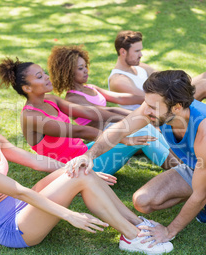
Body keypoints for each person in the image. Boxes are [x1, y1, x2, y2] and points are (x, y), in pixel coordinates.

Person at [0, 81, 173, 255]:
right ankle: (132, 236)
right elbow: (19, 190)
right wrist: (70, 215)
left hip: (20, 205)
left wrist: (81, 167)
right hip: (13, 227)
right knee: (81, 176)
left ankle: (137, 223)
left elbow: (35, 161)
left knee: (81, 169)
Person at [65, 70, 206, 255]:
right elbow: (120, 128)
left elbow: (198, 193)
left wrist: (169, 231)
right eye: (146, 103)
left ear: (176, 107)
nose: (146, 110)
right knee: (142, 202)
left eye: (152, 107)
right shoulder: (157, 111)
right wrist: (89, 155)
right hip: (198, 166)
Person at [0, 57, 175, 176]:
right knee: (138, 133)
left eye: (44, 72)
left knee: (142, 126)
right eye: (39, 76)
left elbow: (91, 112)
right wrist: (123, 138)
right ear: (27, 88)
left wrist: (131, 117)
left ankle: (179, 164)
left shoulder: (50, 100)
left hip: (86, 152)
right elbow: (80, 130)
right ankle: (181, 170)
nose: (46, 77)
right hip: (77, 168)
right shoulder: (32, 116)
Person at [47, 45, 180, 170]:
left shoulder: (91, 88)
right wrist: (138, 117)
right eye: (80, 68)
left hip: (117, 127)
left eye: (85, 66)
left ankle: (181, 161)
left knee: (150, 127)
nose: (86, 70)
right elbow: (107, 112)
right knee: (145, 128)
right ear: (68, 72)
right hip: (107, 137)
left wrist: (152, 98)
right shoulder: (73, 99)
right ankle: (179, 169)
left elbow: (120, 98)